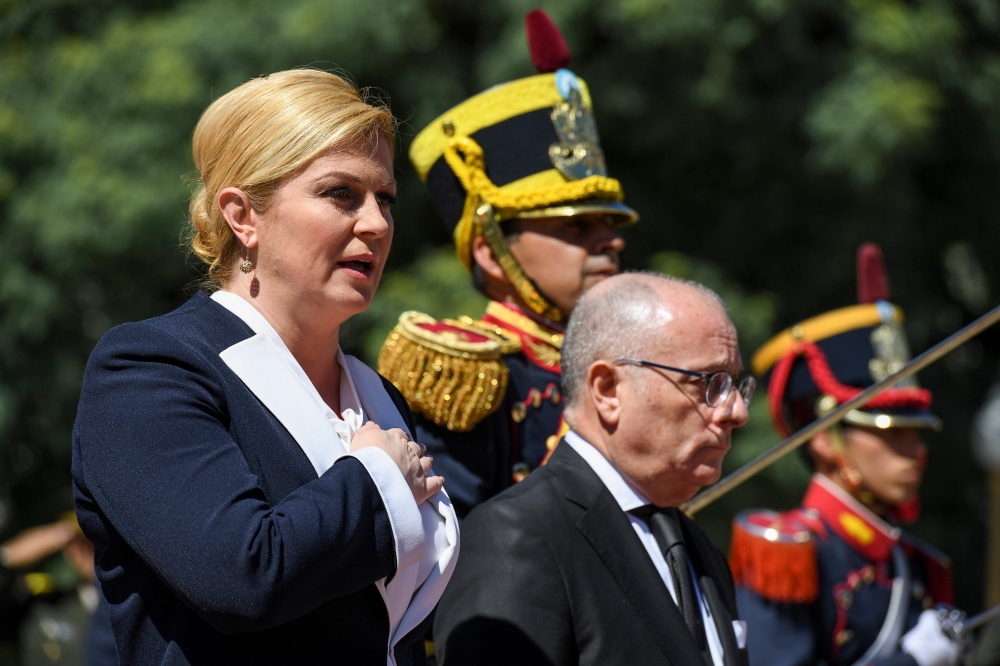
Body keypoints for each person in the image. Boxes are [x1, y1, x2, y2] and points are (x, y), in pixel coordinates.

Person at [71, 69, 459, 666]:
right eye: (341, 194)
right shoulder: (150, 368)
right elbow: (239, 577)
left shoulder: (378, 393)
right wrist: (377, 480)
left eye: (385, 199)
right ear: (242, 215)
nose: (378, 224)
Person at [376, 9, 638, 518]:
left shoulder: (626, 357)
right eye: (576, 228)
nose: (610, 242)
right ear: (490, 251)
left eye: (609, 226)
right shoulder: (471, 374)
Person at [433, 273, 755, 666]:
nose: (737, 411)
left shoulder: (697, 548)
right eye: (707, 383)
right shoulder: (518, 534)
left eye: (735, 384)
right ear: (607, 390)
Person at [729, 243, 959, 666]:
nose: (916, 451)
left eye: (917, 433)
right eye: (893, 433)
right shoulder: (786, 554)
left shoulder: (916, 562)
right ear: (824, 439)